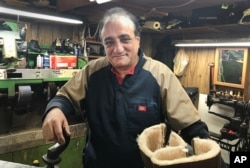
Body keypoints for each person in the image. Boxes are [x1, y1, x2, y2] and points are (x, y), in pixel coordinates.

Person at [42, 7, 227, 168]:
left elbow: (192, 127)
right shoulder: (92, 71)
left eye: (124, 39)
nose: (118, 48)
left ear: (138, 39)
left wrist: (215, 160)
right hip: (96, 164)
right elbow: (65, 97)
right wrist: (55, 110)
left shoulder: (160, 74)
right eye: (109, 42)